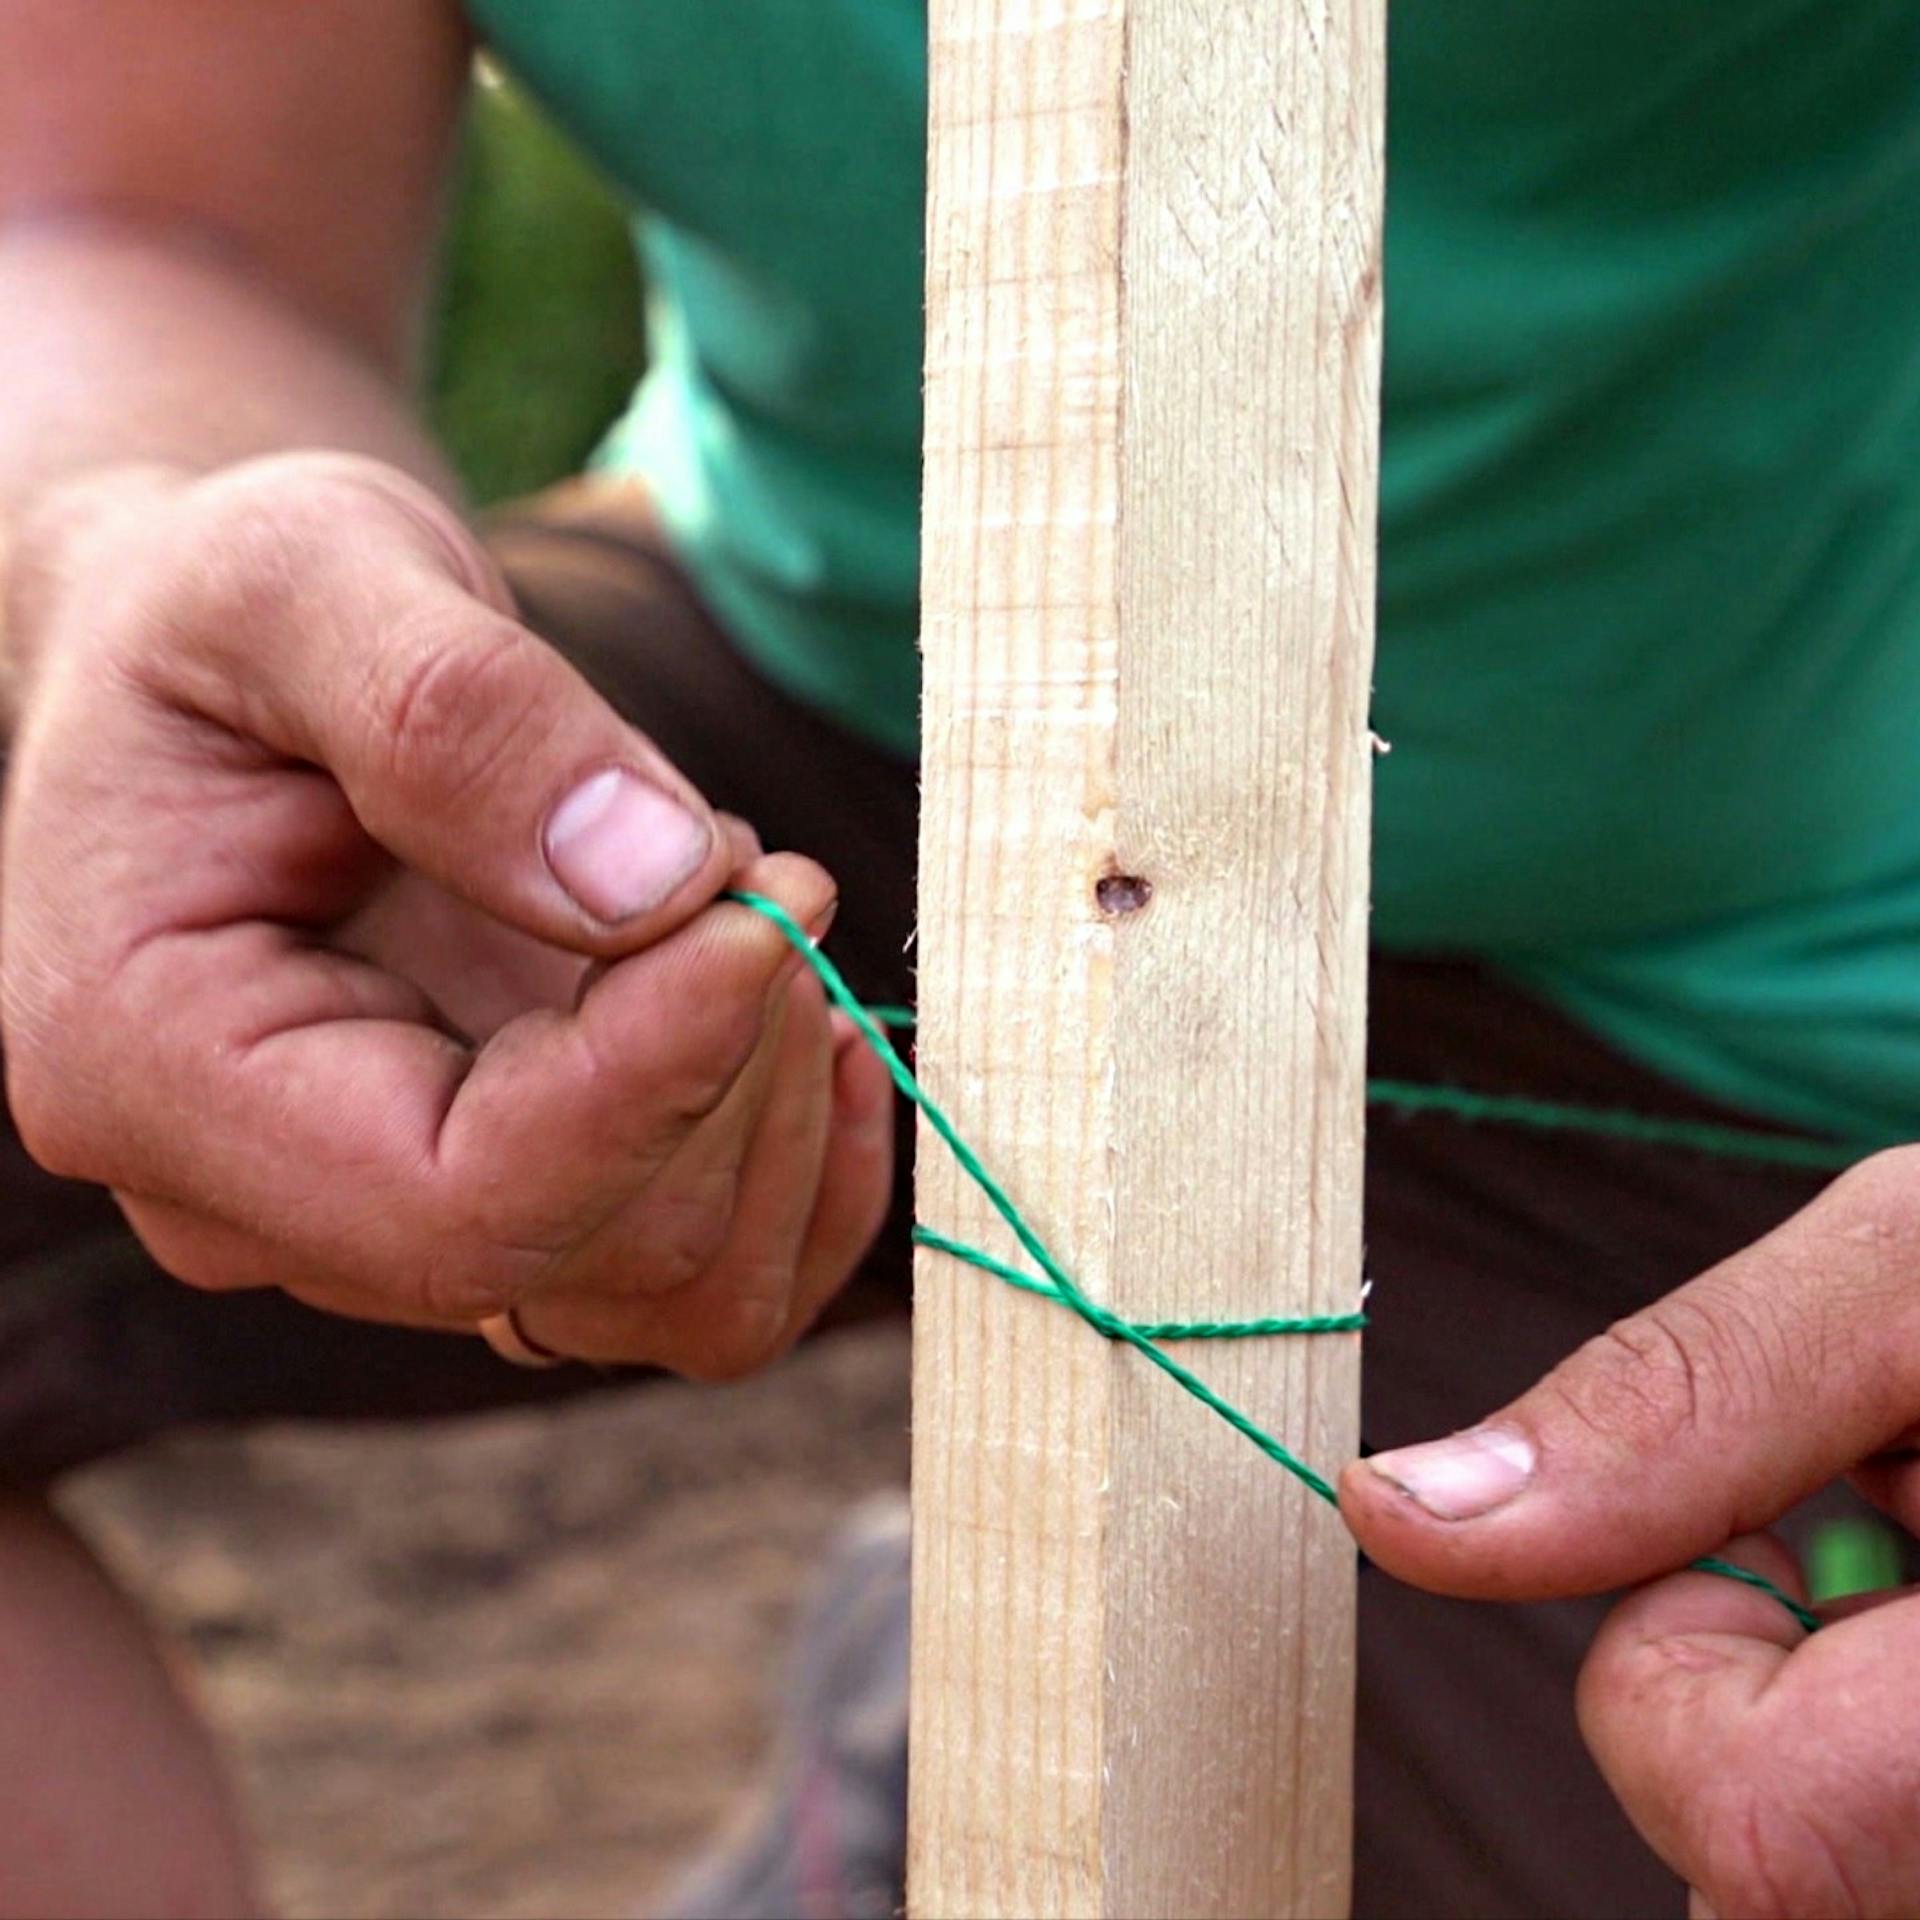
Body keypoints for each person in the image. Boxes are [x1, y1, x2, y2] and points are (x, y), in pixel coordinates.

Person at [1, 3, 1918, 1915]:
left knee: (1743, 1825)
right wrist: (136, 539)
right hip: (785, 730)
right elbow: (137, 220)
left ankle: (888, 1779)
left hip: (1768, 1031)